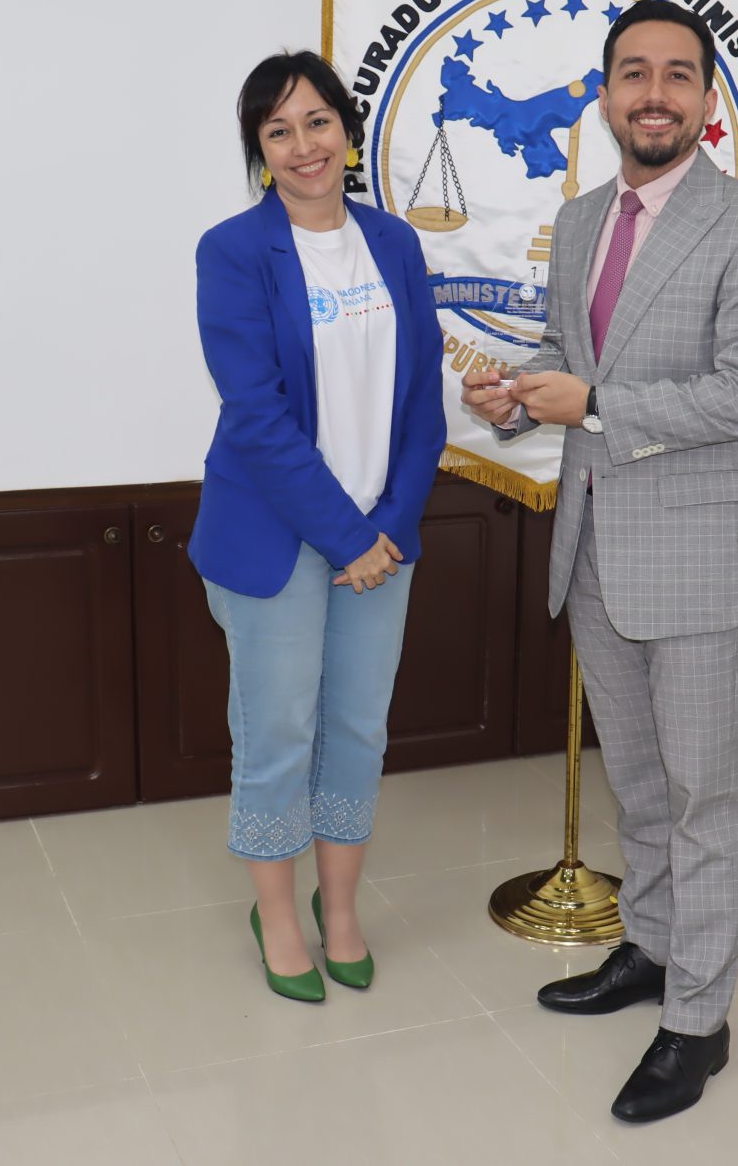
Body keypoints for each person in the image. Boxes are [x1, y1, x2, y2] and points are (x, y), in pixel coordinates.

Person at [460, 0, 738, 1121]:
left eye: (676, 74)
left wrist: (595, 402)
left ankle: (698, 1021)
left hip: (696, 561)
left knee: (705, 798)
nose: (653, 94)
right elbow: (570, 354)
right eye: (633, 73)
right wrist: (519, 397)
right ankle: (651, 950)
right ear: (606, 95)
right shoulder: (580, 219)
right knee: (642, 785)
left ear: (706, 100)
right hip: (596, 549)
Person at [189, 50, 447, 1002]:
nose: (304, 145)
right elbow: (256, 416)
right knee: (279, 732)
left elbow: (423, 399)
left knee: (357, 729)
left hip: (383, 536)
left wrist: (392, 524)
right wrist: (349, 537)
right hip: (278, 539)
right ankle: (280, 917)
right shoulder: (232, 251)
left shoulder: (395, 243)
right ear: (259, 150)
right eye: (278, 129)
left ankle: (340, 910)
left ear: (348, 129)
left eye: (318, 121)